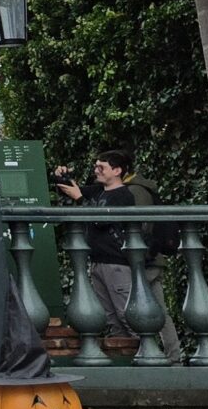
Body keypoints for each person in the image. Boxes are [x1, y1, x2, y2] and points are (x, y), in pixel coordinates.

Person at [54, 148, 179, 360]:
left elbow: (100, 219)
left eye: (101, 167)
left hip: (120, 262)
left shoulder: (126, 194)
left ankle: (154, 360)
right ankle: (130, 360)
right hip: (100, 261)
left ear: (117, 170)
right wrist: (60, 176)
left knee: (130, 316)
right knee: (114, 319)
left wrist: (80, 200)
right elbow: (71, 190)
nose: (96, 170)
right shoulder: (100, 192)